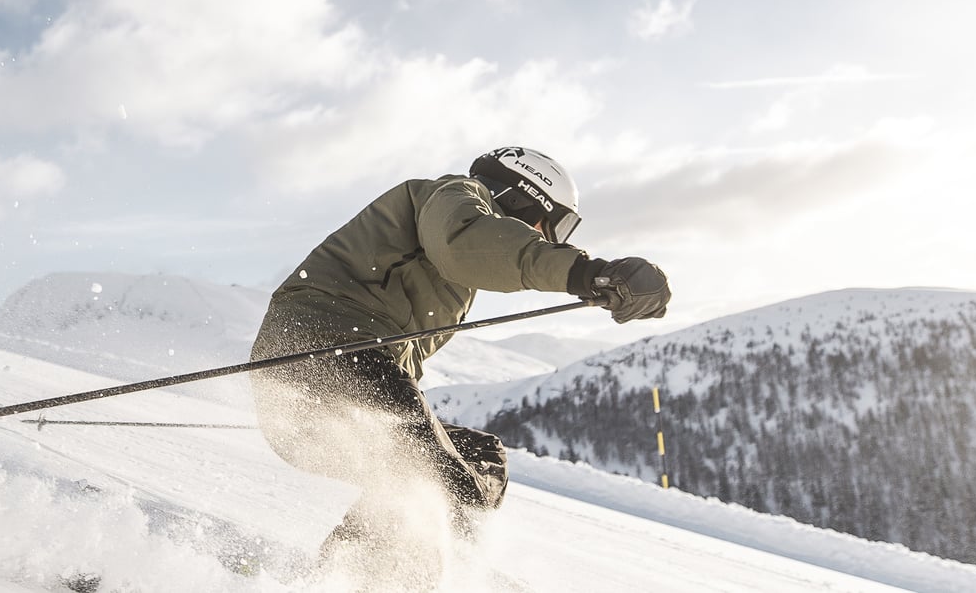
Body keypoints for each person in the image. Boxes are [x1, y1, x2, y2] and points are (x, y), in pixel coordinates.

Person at [248, 146, 671, 585]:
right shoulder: (453, 197)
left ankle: (343, 577)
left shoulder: (454, 257)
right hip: (322, 350)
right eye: (554, 225)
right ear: (523, 199)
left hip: (338, 388)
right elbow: (467, 243)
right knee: (434, 473)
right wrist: (588, 273)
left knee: (475, 460)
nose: (549, 239)